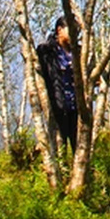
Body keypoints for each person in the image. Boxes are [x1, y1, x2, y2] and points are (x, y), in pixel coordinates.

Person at [36, 17, 77, 152]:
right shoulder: (47, 51)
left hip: (75, 107)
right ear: (59, 30)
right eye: (70, 30)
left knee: (79, 148)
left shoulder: (77, 52)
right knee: (60, 148)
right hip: (58, 108)